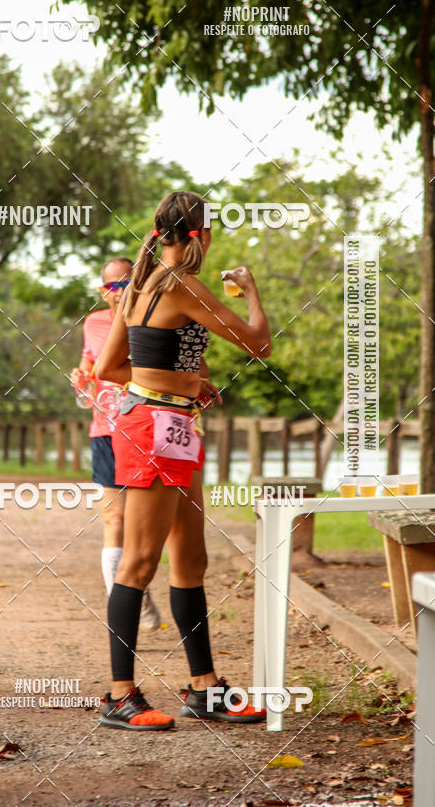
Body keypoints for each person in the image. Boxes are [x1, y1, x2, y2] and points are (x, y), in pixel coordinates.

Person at [96, 191, 272, 731]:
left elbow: (109, 368)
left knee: (191, 559)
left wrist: (183, 383)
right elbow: (259, 343)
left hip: (174, 424)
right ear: (202, 234)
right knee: (138, 561)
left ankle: (205, 689)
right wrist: (251, 292)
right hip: (152, 429)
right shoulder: (181, 285)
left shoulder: (141, 285)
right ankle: (119, 696)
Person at [70, 256, 162, 631]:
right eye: (113, 285)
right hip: (105, 430)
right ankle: (122, 612)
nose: (120, 291)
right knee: (114, 518)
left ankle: (136, 586)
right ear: (102, 290)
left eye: (127, 283)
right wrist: (81, 377)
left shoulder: (151, 317)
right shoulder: (92, 323)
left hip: (143, 429)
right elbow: (88, 366)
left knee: (145, 525)